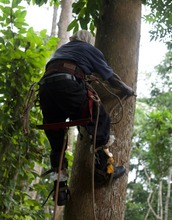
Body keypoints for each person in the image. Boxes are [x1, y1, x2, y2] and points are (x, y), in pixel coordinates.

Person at [38, 30, 135, 206]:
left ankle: (59, 188)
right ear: (88, 41)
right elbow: (109, 77)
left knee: (57, 145)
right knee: (99, 118)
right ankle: (105, 169)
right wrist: (126, 89)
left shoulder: (63, 50)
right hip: (67, 85)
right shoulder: (88, 49)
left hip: (45, 90)